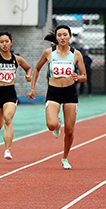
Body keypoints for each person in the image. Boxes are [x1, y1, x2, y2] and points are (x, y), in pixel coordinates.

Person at [28, 25, 88, 170]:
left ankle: (65, 157)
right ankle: (57, 123)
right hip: (53, 92)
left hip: (70, 93)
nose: (62, 37)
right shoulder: (49, 53)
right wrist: (33, 88)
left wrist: (78, 77)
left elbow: (84, 76)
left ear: (70, 37)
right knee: (51, 125)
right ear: (56, 37)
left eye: (65, 35)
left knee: (70, 130)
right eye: (59, 35)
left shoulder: (76, 54)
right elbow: (36, 68)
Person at [0, 31, 33, 160]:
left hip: (10, 93)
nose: (4, 44)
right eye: (1, 42)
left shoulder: (17, 59)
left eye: (6, 41)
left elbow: (29, 68)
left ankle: (7, 150)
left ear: (11, 42)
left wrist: (28, 75)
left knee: (8, 119)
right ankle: (2, 119)